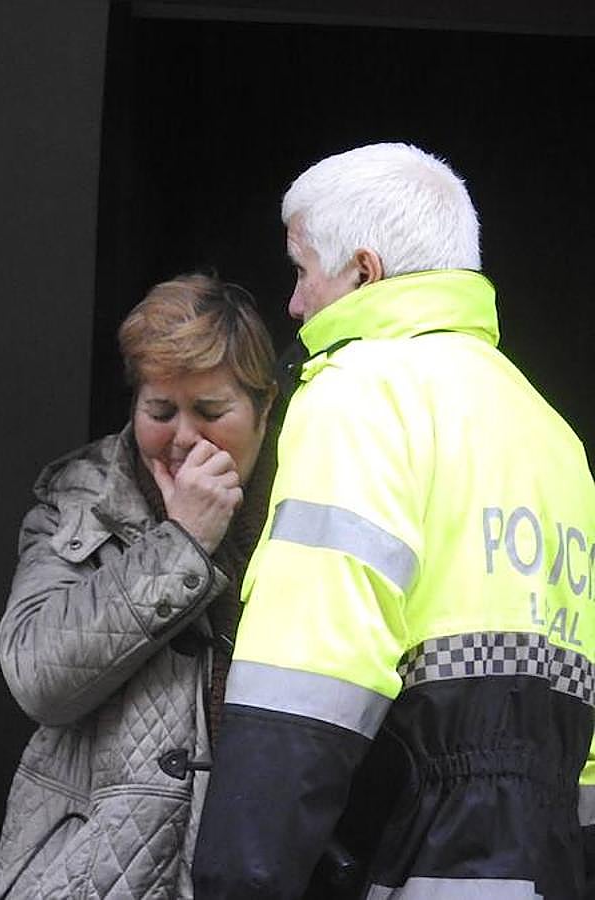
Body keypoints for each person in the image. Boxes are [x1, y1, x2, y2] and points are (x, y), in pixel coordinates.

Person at [190, 143, 595, 899]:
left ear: (364, 272)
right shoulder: (552, 433)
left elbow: (307, 675)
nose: (296, 304)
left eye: (302, 271)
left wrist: (237, 880)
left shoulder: (360, 391)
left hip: (410, 861)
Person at [0, 274, 278, 898]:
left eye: (211, 412)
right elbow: (38, 676)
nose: (182, 438)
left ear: (266, 408)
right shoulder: (81, 496)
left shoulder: (311, 499)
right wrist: (180, 541)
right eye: (159, 411)